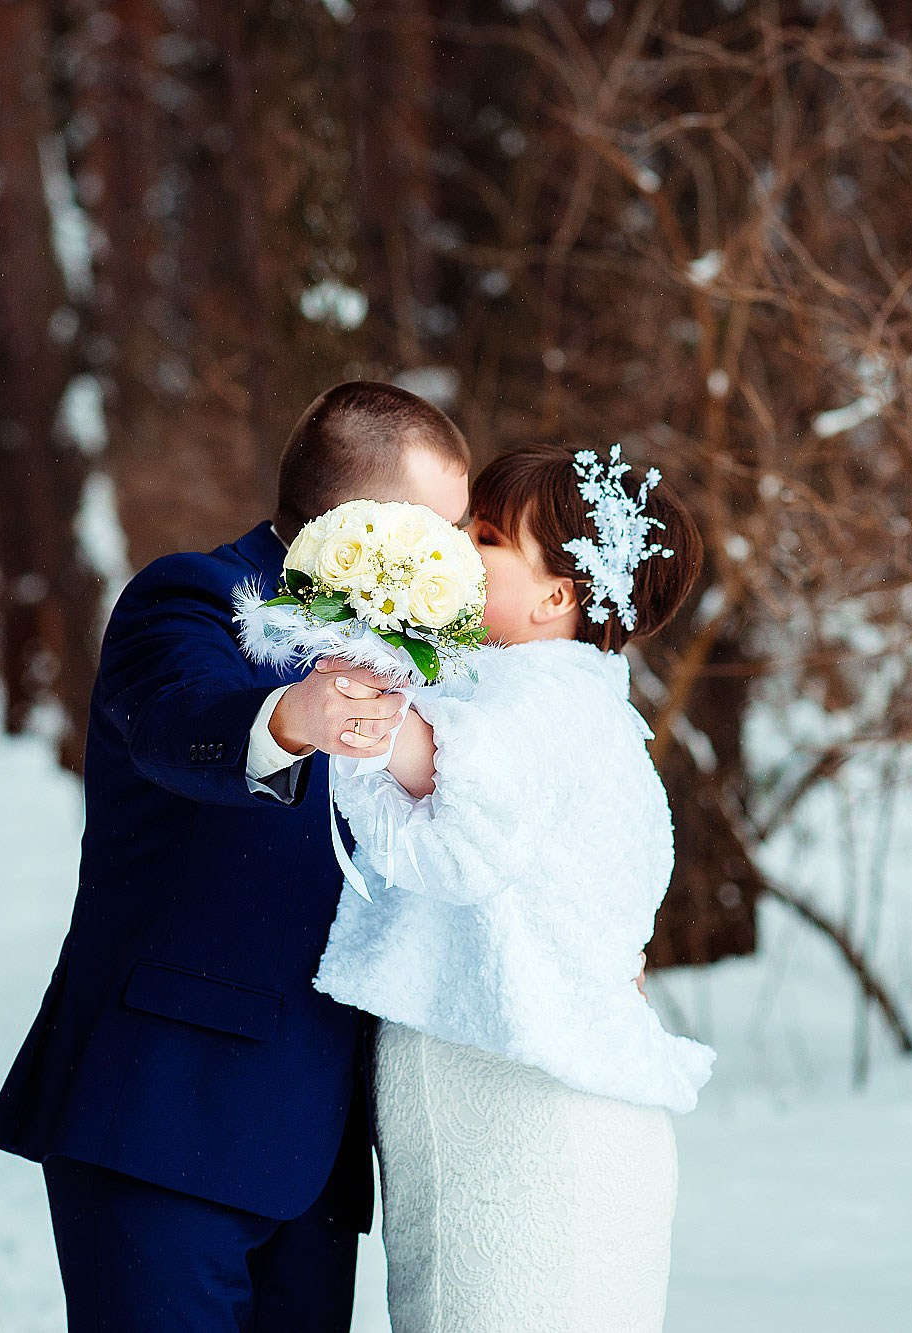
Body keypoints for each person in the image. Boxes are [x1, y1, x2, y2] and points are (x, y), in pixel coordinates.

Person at [0, 380, 469, 1332]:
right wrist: (287, 719)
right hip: (163, 1118)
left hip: (318, 1150)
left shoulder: (429, 653)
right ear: (358, 522)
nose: (458, 562)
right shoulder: (191, 597)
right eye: (438, 530)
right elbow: (176, 718)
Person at [309, 442, 714, 1332]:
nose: (455, 548)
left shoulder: (532, 707)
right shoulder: (579, 708)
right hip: (529, 1115)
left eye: (485, 537)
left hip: (527, 1129)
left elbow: (462, 822)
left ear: (557, 595)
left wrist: (361, 696)